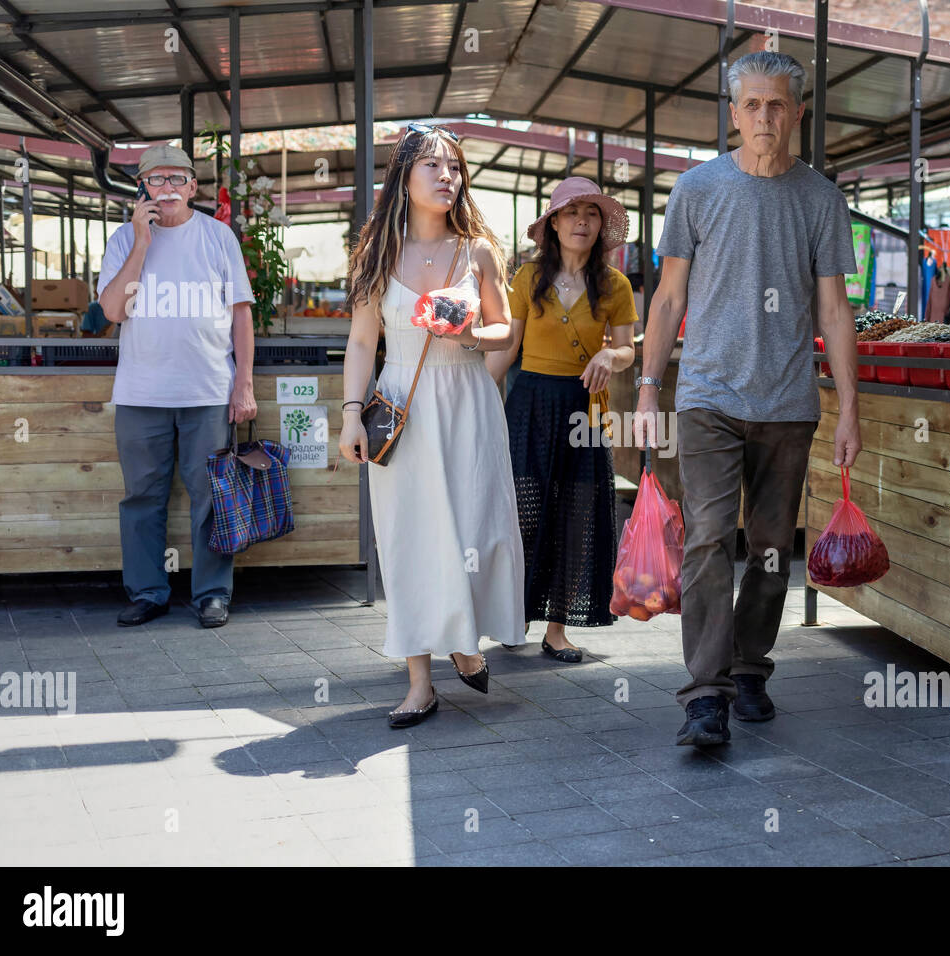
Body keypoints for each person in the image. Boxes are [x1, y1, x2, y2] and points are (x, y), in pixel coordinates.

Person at [634, 50, 861, 747]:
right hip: (706, 395)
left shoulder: (820, 197)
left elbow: (832, 309)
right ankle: (705, 694)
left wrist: (850, 403)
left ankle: (750, 668)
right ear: (734, 115)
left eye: (778, 105)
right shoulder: (698, 191)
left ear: (797, 113)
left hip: (788, 403)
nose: (765, 117)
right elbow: (668, 297)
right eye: (752, 105)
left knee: (769, 548)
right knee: (707, 539)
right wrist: (648, 389)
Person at [339, 123, 525, 730]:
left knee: (475, 527)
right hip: (402, 404)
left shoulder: (478, 250)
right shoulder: (376, 254)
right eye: (434, 166)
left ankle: (466, 640)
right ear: (404, 177)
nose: (448, 177)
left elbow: (507, 330)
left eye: (455, 167)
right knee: (410, 540)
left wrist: (468, 332)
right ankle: (420, 683)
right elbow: (363, 342)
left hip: (469, 397)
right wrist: (349, 415)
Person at [96, 144, 256, 629]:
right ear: (142, 187)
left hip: (208, 389)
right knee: (142, 497)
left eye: (176, 179)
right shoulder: (124, 239)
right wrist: (143, 242)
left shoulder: (218, 236)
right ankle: (148, 592)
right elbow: (112, 311)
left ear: (193, 187)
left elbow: (241, 315)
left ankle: (211, 593)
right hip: (141, 393)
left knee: (211, 494)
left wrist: (243, 384)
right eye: (156, 180)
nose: (167, 188)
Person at [486, 178, 637, 663]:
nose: (581, 222)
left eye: (591, 214)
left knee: (578, 514)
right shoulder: (529, 278)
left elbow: (628, 348)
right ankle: (516, 615)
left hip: (584, 409)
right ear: (552, 223)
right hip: (529, 403)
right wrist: (479, 399)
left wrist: (610, 358)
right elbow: (509, 346)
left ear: (600, 225)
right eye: (571, 213)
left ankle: (557, 630)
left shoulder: (615, 285)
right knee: (524, 513)